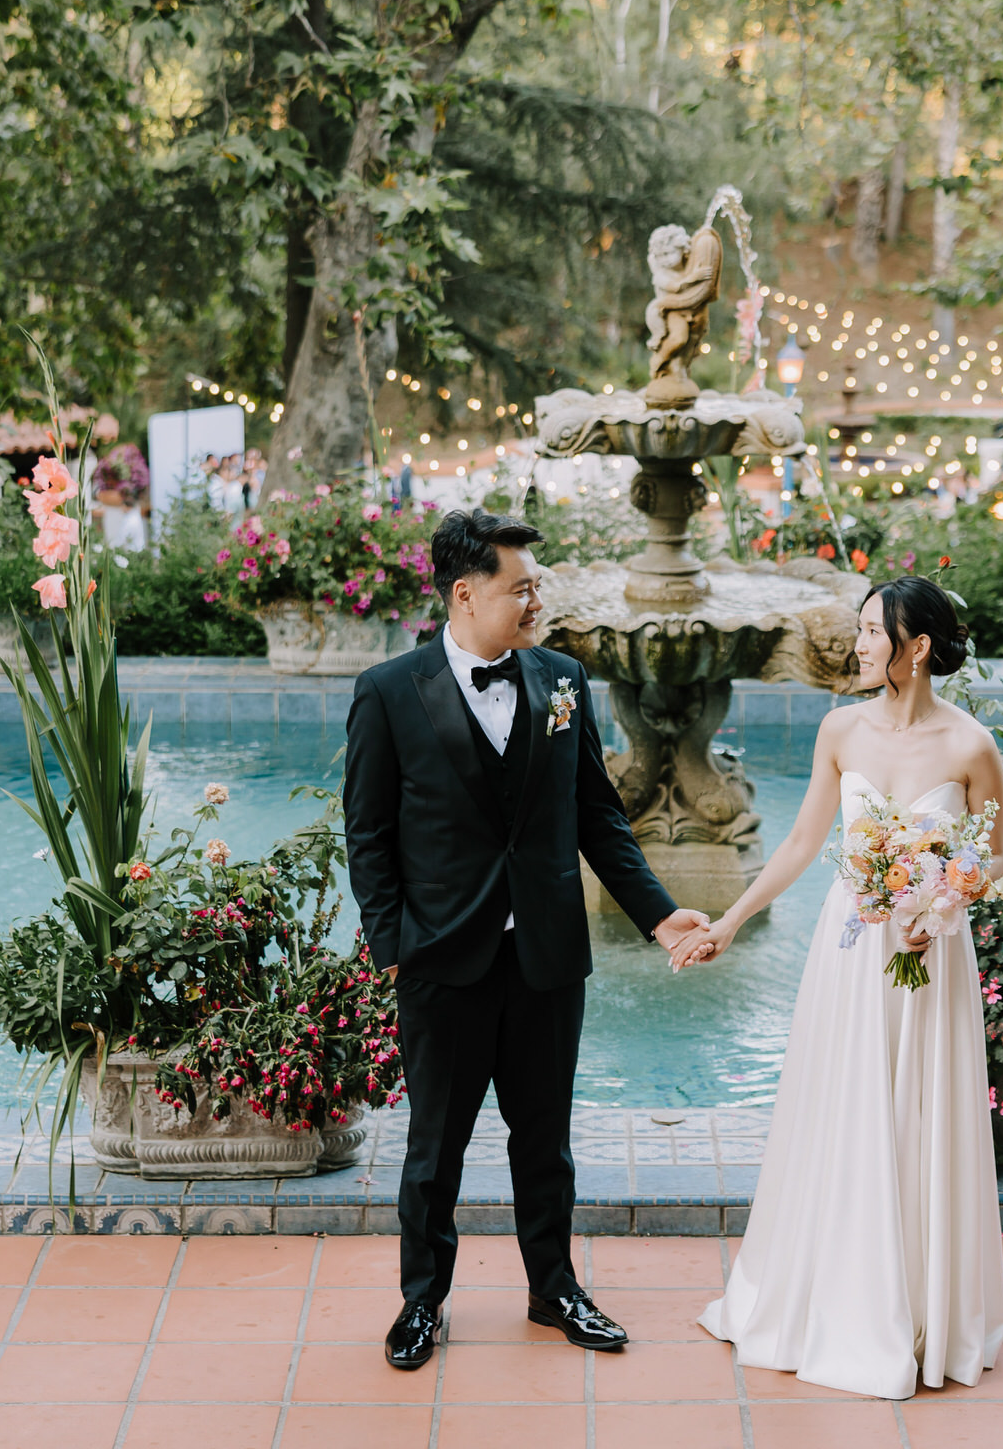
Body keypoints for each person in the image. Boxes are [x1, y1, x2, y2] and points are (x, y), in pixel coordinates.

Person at [343, 508, 716, 1372]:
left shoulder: (562, 682)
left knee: (543, 1139)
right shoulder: (389, 693)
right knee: (435, 1146)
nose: (535, 598)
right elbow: (368, 834)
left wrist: (660, 916)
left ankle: (554, 1288)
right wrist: (392, 943)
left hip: (547, 956)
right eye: (522, 586)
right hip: (441, 958)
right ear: (466, 594)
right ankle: (422, 1301)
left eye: (535, 584)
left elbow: (599, 817)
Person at [682, 574, 1003, 1400]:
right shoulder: (840, 729)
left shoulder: (971, 745)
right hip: (851, 951)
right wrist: (730, 919)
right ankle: (835, 1296)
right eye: (861, 631)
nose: (859, 645)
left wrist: (940, 905)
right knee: (846, 1110)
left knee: (919, 1116)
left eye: (872, 631)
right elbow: (799, 844)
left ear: (918, 646)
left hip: (929, 957)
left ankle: (924, 1306)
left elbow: (997, 856)